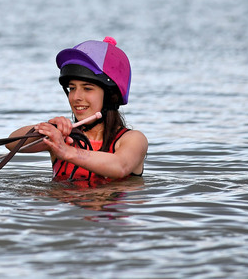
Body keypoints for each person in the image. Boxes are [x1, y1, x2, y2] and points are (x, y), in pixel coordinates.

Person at [9, 37, 147, 185]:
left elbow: (120, 166)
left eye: (87, 88)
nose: (76, 97)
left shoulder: (134, 139)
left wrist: (67, 152)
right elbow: (12, 143)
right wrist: (47, 128)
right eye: (72, 88)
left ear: (110, 96)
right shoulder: (63, 138)